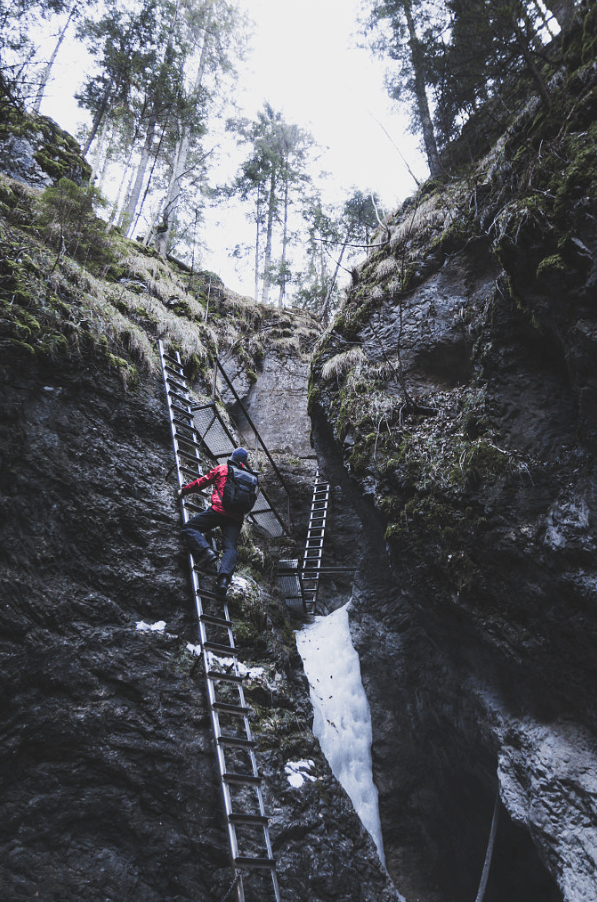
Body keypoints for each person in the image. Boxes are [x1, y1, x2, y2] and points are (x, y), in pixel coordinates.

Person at [178, 447, 250, 597]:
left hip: (218, 511)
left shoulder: (222, 469)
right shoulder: (248, 477)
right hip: (236, 518)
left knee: (189, 527)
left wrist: (184, 491)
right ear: (244, 462)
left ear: (232, 457)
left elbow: (202, 482)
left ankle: (205, 552)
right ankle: (224, 580)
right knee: (230, 548)